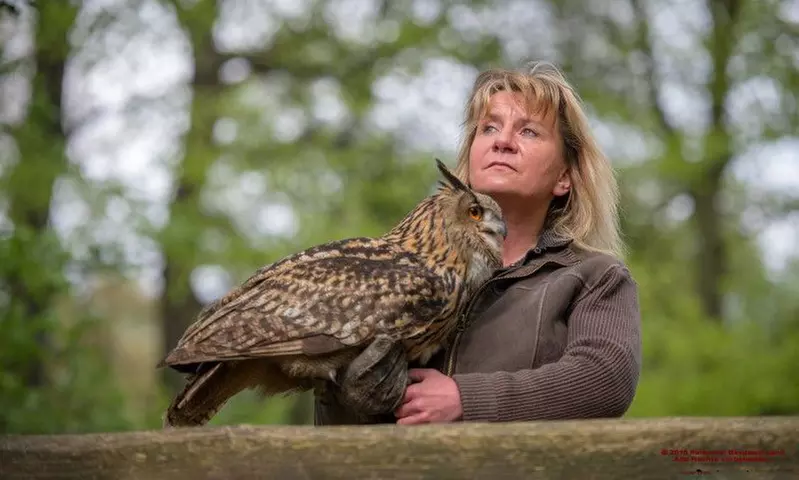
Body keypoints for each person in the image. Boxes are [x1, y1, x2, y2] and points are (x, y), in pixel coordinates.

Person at [314, 61, 642, 425]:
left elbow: (605, 378)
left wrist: (467, 399)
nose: (503, 141)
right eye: (488, 128)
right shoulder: (409, 272)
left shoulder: (594, 277)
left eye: (529, 132)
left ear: (564, 177)